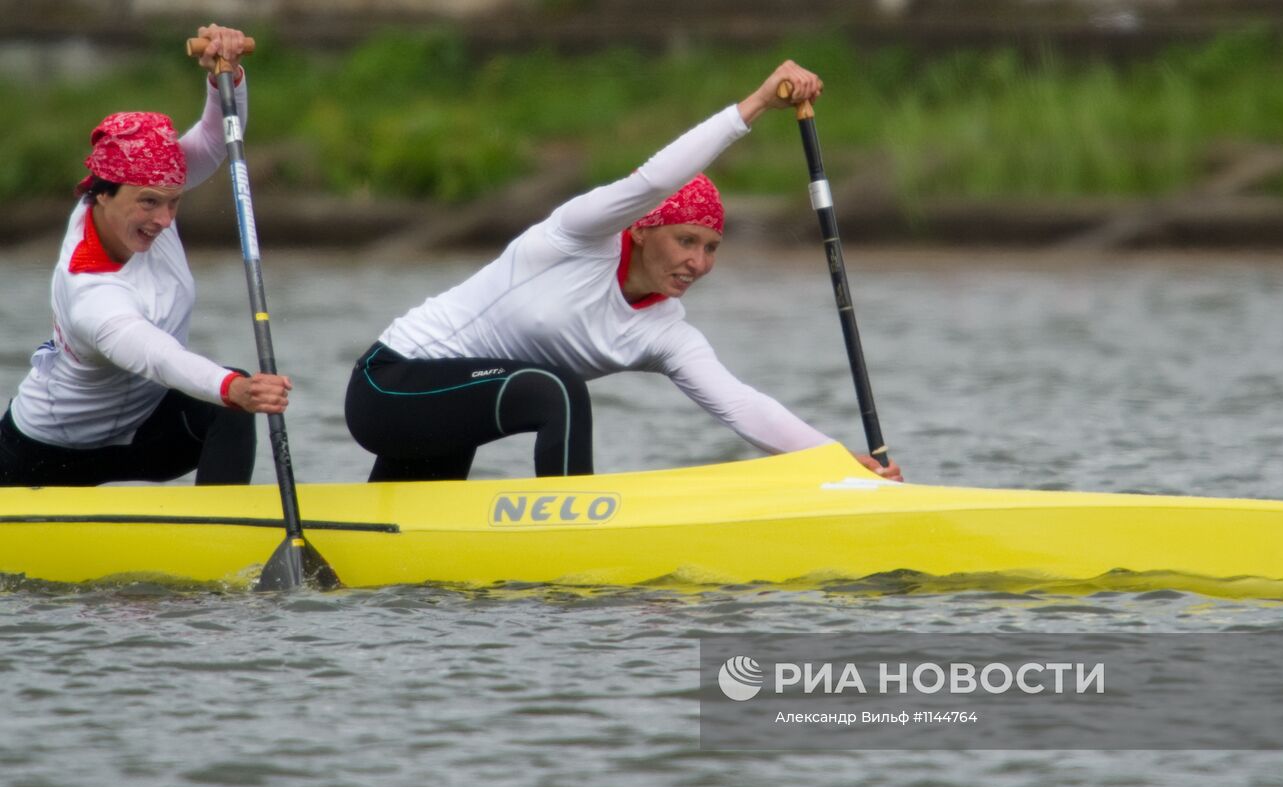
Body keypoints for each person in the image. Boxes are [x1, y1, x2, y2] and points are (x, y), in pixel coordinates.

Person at [344, 60, 901, 483]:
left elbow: (743, 406)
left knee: (417, 561)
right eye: (686, 240)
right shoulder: (578, 236)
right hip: (389, 385)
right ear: (639, 227)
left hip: (449, 415)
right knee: (556, 391)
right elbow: (655, 183)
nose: (698, 263)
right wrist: (755, 104)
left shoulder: (663, 332)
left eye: (711, 249)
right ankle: (573, 551)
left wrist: (843, 462)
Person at [0, 24, 292, 487]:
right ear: (102, 194)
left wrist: (227, 77)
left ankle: (220, 538)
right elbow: (159, 357)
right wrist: (234, 389)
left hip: (144, 436)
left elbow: (213, 145)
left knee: (228, 408)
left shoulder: (142, 192)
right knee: (231, 388)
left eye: (173, 201)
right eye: (149, 202)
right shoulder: (90, 291)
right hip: (47, 456)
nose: (163, 218)